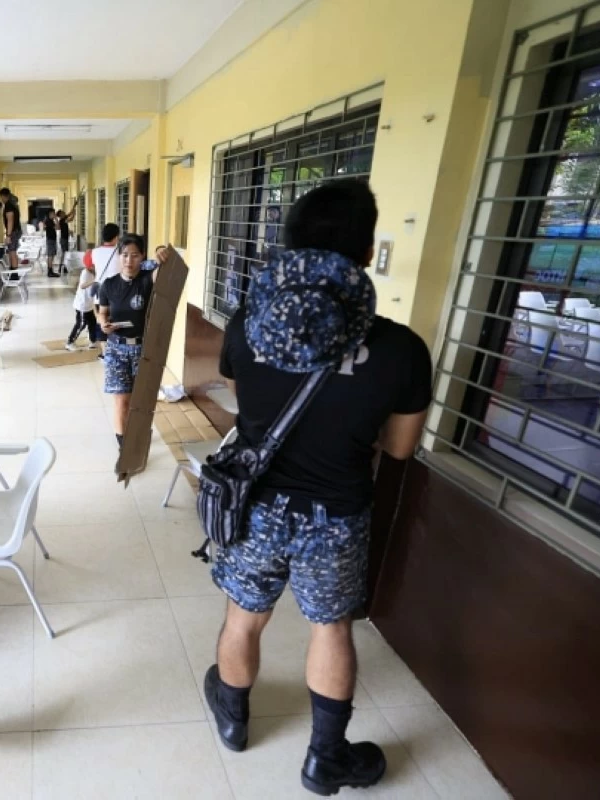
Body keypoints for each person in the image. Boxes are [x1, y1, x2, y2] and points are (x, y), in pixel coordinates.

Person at [204, 181, 431, 796]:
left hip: (257, 506)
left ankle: (232, 718)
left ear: (291, 249)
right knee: (331, 629)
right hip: (338, 513)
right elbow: (403, 448)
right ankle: (325, 760)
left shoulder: (248, 326)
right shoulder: (402, 349)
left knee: (243, 620)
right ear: (363, 257)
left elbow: (239, 398)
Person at [96, 233, 163, 448]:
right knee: (121, 401)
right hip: (116, 348)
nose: (129, 261)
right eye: (124, 255)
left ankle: (140, 437)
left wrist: (161, 250)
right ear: (119, 256)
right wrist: (103, 323)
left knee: (141, 402)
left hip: (143, 350)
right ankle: (125, 448)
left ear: (142, 257)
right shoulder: (109, 284)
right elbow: (102, 312)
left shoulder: (146, 280)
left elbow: (163, 268)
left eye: (135, 255)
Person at [86, 223, 122, 361]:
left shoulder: (93, 252)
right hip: (117, 292)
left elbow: (89, 265)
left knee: (101, 321)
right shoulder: (121, 251)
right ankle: (116, 351)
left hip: (100, 291)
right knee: (116, 320)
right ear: (116, 237)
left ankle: (105, 352)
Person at [65, 247, 99, 352]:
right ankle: (70, 342)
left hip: (88, 305)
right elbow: (83, 285)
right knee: (81, 324)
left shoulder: (93, 273)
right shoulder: (85, 273)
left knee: (93, 323)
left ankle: (93, 341)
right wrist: (94, 282)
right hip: (82, 306)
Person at [0, 188, 22, 271]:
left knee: (12, 252)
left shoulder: (9, 206)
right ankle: (13, 271)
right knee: (13, 251)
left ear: (3, 196)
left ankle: (14, 274)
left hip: (13, 232)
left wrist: (8, 235)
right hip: (16, 230)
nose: (1, 199)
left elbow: (10, 221)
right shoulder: (13, 205)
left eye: (1, 197)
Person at [58, 200, 78, 274]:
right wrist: (74, 206)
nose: (64, 213)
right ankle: (61, 267)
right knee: (64, 253)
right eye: (63, 213)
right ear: (60, 215)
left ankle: (63, 267)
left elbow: (70, 217)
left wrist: (74, 211)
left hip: (64, 239)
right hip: (64, 239)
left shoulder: (63, 220)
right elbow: (70, 215)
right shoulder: (62, 220)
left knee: (65, 253)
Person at [43, 210, 58, 277]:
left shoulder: (50, 221)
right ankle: (50, 271)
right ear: (50, 214)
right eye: (54, 214)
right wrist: (56, 219)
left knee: (51, 255)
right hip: (50, 240)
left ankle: (50, 270)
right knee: (50, 255)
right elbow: (58, 227)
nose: (55, 215)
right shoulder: (49, 221)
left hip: (52, 239)